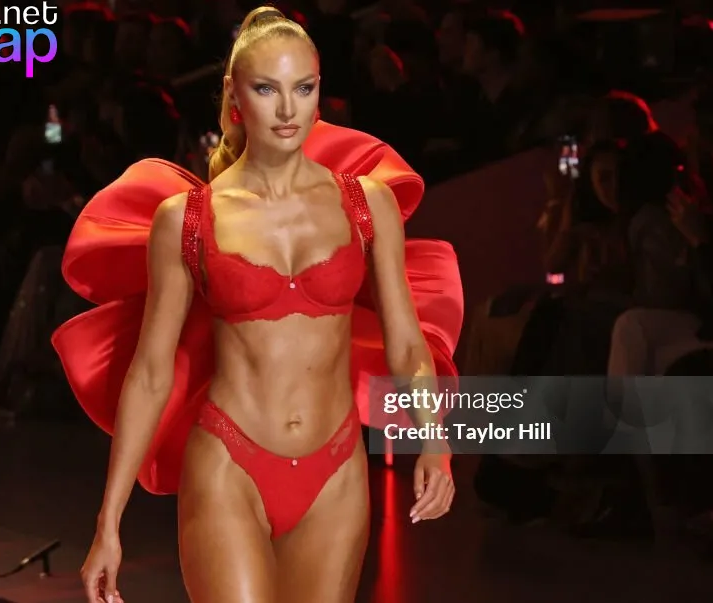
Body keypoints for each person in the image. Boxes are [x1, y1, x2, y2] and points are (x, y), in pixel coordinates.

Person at [53, 7, 464, 603]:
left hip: (336, 470)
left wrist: (434, 439)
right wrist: (108, 522)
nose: (288, 109)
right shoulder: (188, 218)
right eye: (268, 89)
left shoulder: (366, 204)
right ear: (234, 95)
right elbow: (150, 371)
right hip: (229, 462)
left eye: (304, 88)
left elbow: (405, 342)